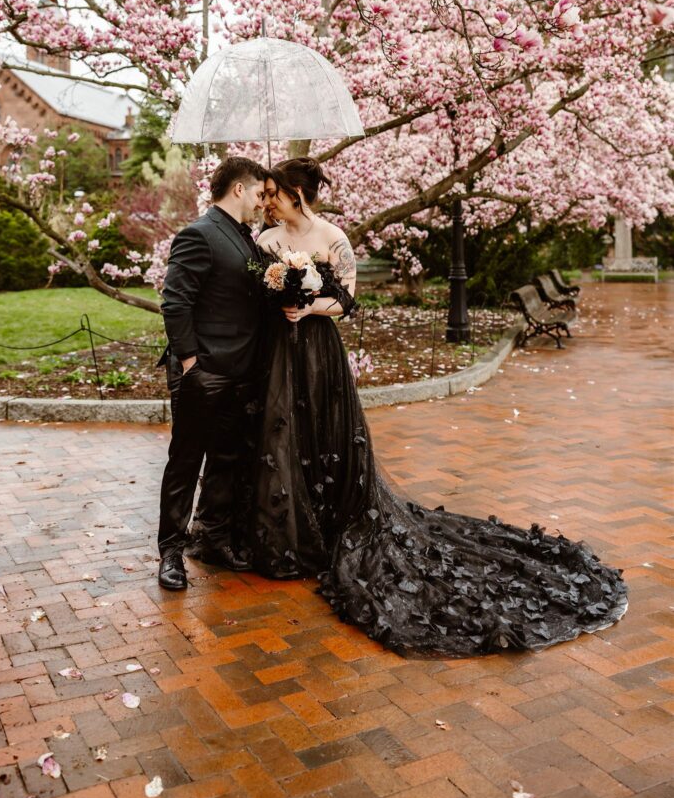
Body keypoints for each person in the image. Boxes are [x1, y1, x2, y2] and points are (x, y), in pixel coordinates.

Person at [248, 156, 628, 657]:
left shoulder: (333, 239)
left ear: (297, 193)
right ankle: (289, 533)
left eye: (274, 192)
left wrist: (311, 305)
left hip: (319, 351)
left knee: (325, 432)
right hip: (280, 350)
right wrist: (279, 300)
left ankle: (329, 523)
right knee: (281, 433)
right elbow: (257, 290)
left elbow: (348, 300)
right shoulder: (266, 242)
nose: (267, 200)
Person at [156, 156, 267, 591]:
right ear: (238, 189)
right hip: (204, 373)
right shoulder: (198, 235)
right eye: (259, 193)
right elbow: (175, 302)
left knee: (227, 459)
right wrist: (190, 365)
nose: (262, 202)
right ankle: (170, 553)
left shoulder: (247, 238)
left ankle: (215, 538)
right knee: (185, 463)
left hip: (241, 372)